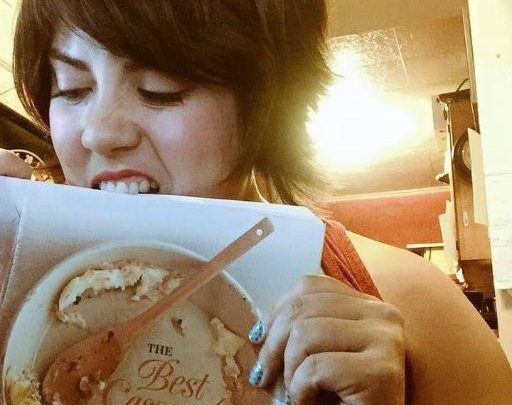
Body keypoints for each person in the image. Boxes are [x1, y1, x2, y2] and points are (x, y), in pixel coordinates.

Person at [1, 0, 511, 403]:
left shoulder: (410, 305)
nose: (99, 133)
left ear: (267, 103)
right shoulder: (16, 273)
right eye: (71, 88)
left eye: (161, 89)